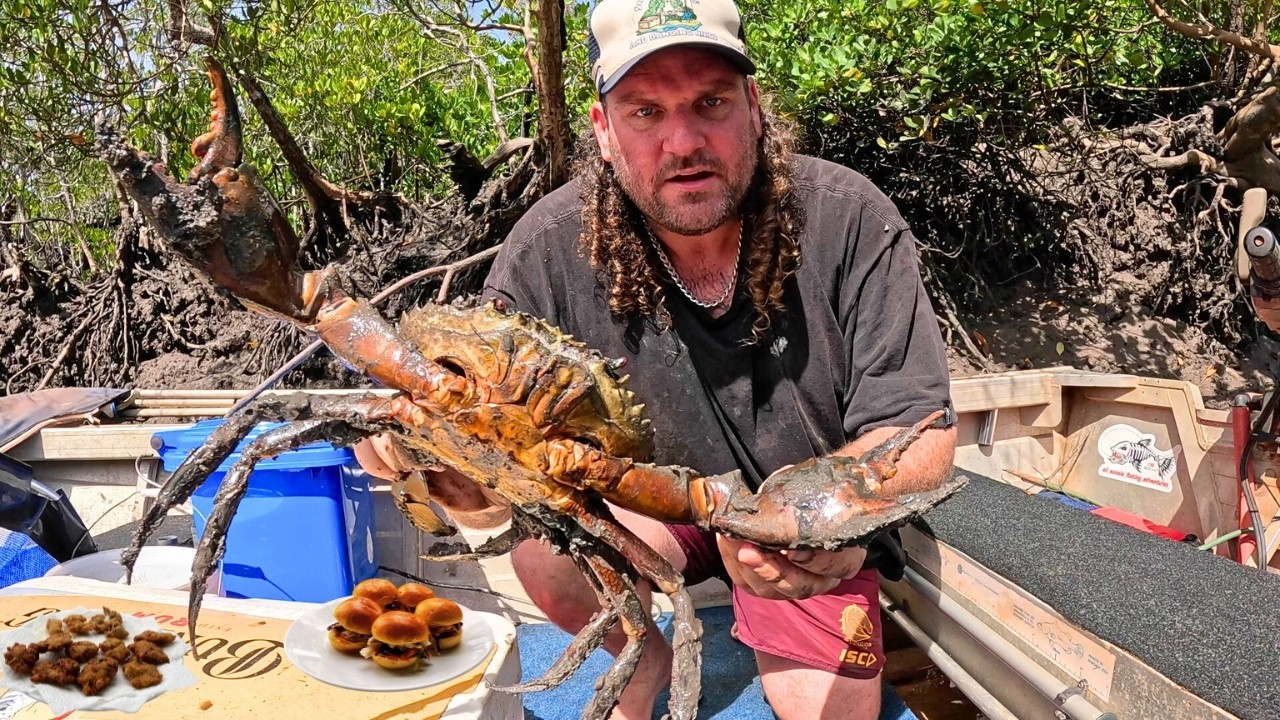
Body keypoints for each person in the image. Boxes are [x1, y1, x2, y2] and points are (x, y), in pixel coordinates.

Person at [355, 0, 957, 717]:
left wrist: (824, 528)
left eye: (710, 102)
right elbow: (497, 446)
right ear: (603, 131)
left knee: (825, 710)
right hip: (649, 504)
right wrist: (445, 470)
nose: (683, 141)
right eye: (644, 112)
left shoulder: (848, 219)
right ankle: (642, 661)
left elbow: (921, 434)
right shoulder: (548, 249)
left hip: (799, 525)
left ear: (754, 106)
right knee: (548, 553)